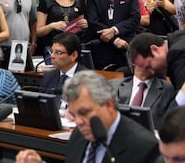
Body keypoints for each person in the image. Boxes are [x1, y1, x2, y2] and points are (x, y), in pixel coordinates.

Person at [16, 70, 160, 163]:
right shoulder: (80, 135)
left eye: (84, 113)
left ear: (109, 105)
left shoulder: (143, 147)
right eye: (73, 114)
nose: (78, 122)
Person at [86, 0, 140, 70]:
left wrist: (114, 30)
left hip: (126, 46)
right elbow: (93, 22)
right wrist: (113, 39)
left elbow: (135, 19)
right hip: (103, 50)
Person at [110, 57, 176, 129]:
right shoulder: (113, 85)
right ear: (134, 60)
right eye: (147, 55)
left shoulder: (169, 90)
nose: (153, 59)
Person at [39, 32, 86, 111]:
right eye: (52, 51)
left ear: (73, 55)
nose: (52, 56)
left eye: (58, 53)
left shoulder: (87, 80)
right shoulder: (49, 76)